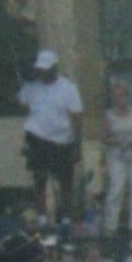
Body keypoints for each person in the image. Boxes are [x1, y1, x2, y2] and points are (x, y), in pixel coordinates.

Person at [17, 51, 84, 224]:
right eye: (41, 70)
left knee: (65, 182)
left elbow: (77, 117)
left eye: (46, 70)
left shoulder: (68, 88)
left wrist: (78, 145)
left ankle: (66, 217)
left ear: (55, 68)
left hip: (62, 141)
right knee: (39, 178)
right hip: (38, 138)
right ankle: (41, 216)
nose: (43, 73)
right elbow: (22, 104)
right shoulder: (32, 86)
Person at [97, 79, 132, 238]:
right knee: (116, 189)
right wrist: (119, 142)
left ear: (127, 97)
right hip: (117, 155)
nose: (120, 99)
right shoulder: (109, 116)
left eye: (123, 96)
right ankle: (111, 226)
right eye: (117, 96)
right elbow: (103, 138)